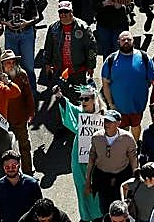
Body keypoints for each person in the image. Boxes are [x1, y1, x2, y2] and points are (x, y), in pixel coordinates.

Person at [57, 86, 108, 222]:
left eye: (86, 99)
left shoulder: (104, 116)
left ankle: (98, 215)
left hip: (98, 161)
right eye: (81, 99)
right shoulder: (80, 113)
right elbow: (69, 110)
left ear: (94, 99)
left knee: (97, 188)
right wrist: (60, 97)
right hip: (80, 159)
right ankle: (85, 217)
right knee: (82, 188)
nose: (83, 101)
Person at [101, 31, 154, 140]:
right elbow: (105, 83)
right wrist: (110, 103)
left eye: (129, 39)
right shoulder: (111, 60)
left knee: (136, 126)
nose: (126, 42)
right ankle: (123, 149)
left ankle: (135, 146)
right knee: (120, 129)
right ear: (119, 42)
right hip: (118, 107)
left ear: (133, 41)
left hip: (138, 106)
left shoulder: (144, 58)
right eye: (123, 40)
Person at [85, 111, 137, 214]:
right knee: (104, 208)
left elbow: (133, 159)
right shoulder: (96, 137)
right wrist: (88, 182)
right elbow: (91, 160)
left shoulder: (127, 138)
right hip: (102, 178)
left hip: (122, 177)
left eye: (110, 121)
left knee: (121, 208)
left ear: (118, 123)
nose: (106, 124)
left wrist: (135, 179)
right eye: (105, 121)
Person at [0, 151, 43, 222]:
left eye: (13, 166)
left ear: (19, 164)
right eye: (7, 167)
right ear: (3, 167)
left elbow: (40, 209)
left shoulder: (32, 183)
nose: (10, 169)